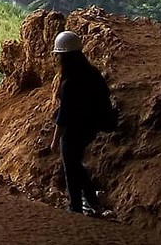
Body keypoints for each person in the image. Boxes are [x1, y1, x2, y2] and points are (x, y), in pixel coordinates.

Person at [49, 30, 116, 216]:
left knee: (71, 167)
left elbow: (63, 116)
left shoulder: (69, 83)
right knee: (75, 163)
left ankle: (76, 206)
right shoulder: (92, 73)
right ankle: (91, 200)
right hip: (91, 127)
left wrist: (55, 140)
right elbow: (105, 96)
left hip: (74, 130)